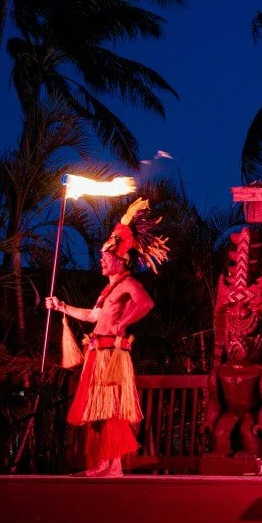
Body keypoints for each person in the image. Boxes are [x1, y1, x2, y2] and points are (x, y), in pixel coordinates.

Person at [46, 198, 167, 478]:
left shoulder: (128, 283)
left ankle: (112, 467)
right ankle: (103, 464)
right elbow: (92, 316)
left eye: (105, 257)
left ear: (120, 259)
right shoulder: (107, 290)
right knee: (97, 410)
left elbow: (146, 304)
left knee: (110, 409)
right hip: (97, 354)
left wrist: (123, 323)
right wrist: (62, 307)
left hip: (112, 354)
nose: (101, 261)